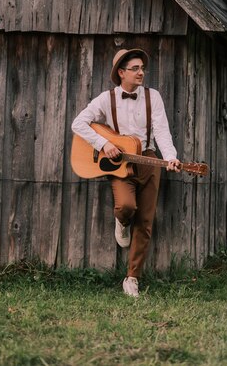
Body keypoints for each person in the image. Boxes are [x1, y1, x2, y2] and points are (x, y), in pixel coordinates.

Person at [71, 48, 181, 297]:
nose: (141, 72)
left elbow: (162, 131)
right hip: (120, 163)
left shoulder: (154, 97)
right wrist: (104, 144)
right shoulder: (105, 99)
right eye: (135, 68)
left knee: (145, 222)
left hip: (149, 161)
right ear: (121, 73)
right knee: (126, 208)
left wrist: (171, 157)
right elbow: (78, 123)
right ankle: (121, 222)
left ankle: (132, 278)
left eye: (142, 68)